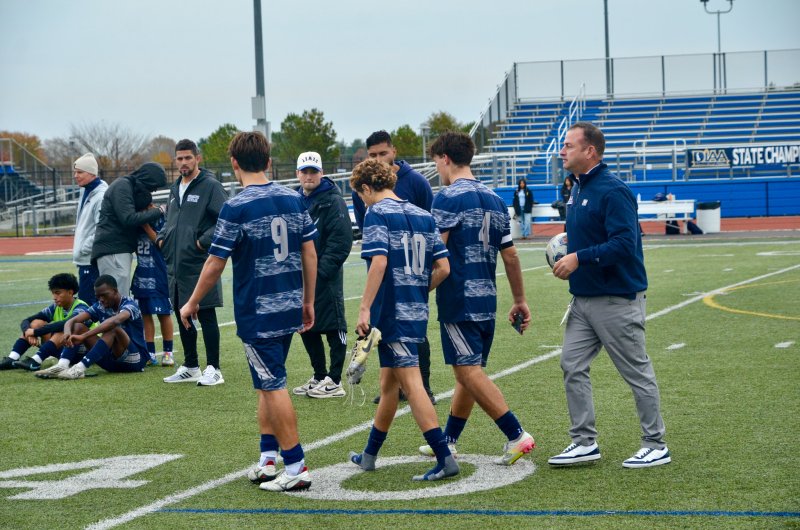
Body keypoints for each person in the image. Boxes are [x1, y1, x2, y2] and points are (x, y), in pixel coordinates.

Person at [179, 131, 317, 492]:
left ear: (234, 164)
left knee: (273, 386)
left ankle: (297, 465)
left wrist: (192, 301)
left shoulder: (237, 206)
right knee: (264, 384)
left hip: (258, 310)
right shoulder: (293, 199)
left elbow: (214, 262)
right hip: (288, 304)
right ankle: (268, 459)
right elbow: (310, 254)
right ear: (269, 162)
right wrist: (308, 300)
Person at [549, 122, 670, 468]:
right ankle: (584, 441)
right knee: (571, 365)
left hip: (616, 299)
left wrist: (578, 257)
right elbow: (593, 232)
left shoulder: (613, 190)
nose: (563, 151)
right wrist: (570, 245)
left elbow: (624, 244)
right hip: (583, 299)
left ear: (590, 151)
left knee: (636, 372)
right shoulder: (577, 187)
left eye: (569, 145)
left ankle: (655, 443)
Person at [422, 131, 535, 465]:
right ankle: (449, 439)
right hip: (488, 297)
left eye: (436, 162)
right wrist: (520, 299)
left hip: (459, 298)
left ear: (444, 158)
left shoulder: (447, 198)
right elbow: (511, 257)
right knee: (468, 373)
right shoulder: (496, 200)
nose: (437, 169)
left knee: (467, 371)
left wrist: (415, 287)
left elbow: (436, 250)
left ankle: (516, 434)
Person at [347, 158, 458, 482]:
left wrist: (365, 307)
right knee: (389, 384)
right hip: (415, 310)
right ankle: (369, 455)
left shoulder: (377, 213)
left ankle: (444, 457)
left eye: (361, 194)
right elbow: (443, 268)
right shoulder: (423, 214)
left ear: (367, 188)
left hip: (391, 313)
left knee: (411, 383)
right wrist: (417, 290)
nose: (363, 201)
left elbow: (379, 262)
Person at [351, 130, 437, 404]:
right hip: (391, 283)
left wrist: (364, 306)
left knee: (414, 354)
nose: (378, 159)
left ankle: (425, 389)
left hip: (405, 281)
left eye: (382, 153)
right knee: (385, 345)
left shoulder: (417, 184)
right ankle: (372, 447)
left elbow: (382, 257)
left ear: (394, 151)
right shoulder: (365, 194)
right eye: (373, 155)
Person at [158, 139, 228, 386]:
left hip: (200, 263)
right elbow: (170, 221)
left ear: (197, 158)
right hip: (176, 265)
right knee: (181, 313)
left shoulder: (210, 186)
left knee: (206, 314)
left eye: (188, 157)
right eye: (180, 158)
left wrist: (202, 242)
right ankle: (191, 365)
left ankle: (214, 368)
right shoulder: (176, 187)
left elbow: (225, 220)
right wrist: (161, 238)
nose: (184, 162)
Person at [291, 151, 353, 399]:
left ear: (321, 173)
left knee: (334, 325)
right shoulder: (295, 200)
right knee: (307, 326)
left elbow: (340, 243)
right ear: (297, 174)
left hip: (325, 277)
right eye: (304, 171)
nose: (308, 176)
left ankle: (335, 380)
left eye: (313, 171)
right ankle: (318, 375)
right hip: (301, 277)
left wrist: (320, 273)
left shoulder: (333, 200)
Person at [37, 275, 150, 380]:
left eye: (104, 295)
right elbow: (71, 321)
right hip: (111, 363)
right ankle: (62, 365)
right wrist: (67, 332)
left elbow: (115, 320)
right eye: (98, 296)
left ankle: (79, 369)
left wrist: (84, 336)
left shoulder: (130, 304)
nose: (101, 299)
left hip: (135, 360)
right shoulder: (100, 306)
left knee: (113, 328)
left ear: (115, 291)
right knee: (78, 326)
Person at [91, 162, 167, 297]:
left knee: (117, 299)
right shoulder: (123, 186)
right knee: (116, 300)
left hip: (116, 249)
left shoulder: (129, 186)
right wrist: (160, 210)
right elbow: (128, 219)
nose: (153, 191)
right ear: (148, 179)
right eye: (153, 186)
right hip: (113, 249)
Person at [0, 273, 89, 371]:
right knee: (36, 323)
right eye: (53, 293)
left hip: (80, 352)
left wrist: (35, 332)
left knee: (64, 329)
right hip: (62, 347)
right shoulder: (55, 307)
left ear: (70, 292)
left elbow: (66, 324)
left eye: (58, 293)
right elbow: (27, 320)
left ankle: (36, 361)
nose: (54, 297)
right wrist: (29, 332)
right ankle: (12, 358)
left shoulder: (81, 308)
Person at [131, 215, 174, 366]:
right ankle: (150, 353)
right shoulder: (135, 220)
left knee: (164, 314)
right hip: (142, 275)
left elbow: (162, 243)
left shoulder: (160, 219)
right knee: (145, 315)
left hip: (159, 276)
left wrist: (146, 226)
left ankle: (168, 352)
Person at [71, 153, 108, 305]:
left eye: (80, 172)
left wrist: (85, 249)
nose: (75, 176)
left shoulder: (100, 196)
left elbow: (102, 228)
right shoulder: (86, 191)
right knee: (88, 305)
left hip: (91, 260)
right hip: (86, 259)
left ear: (92, 173)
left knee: (89, 306)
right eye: (75, 172)